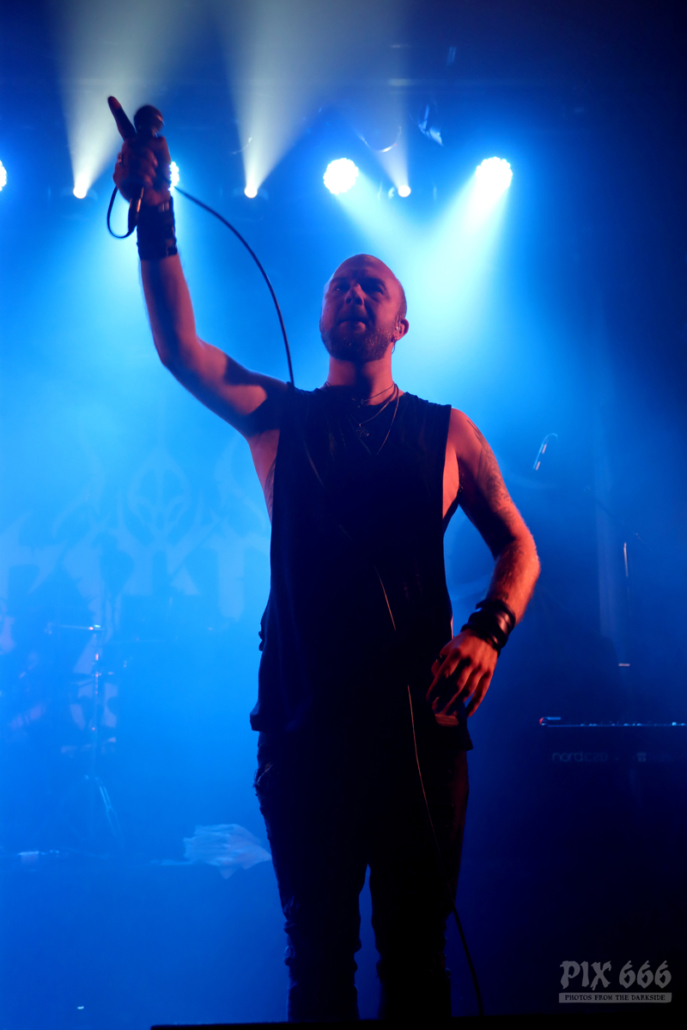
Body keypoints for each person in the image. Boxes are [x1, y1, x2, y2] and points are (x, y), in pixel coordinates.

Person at [112, 122, 540, 1022]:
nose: (355, 291)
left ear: (401, 323)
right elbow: (181, 351)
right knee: (317, 966)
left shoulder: (446, 430)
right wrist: (155, 216)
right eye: (342, 282)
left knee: (417, 964)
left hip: (419, 732)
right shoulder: (279, 417)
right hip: (306, 733)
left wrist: (488, 630)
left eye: (373, 284)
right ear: (320, 317)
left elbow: (518, 544)